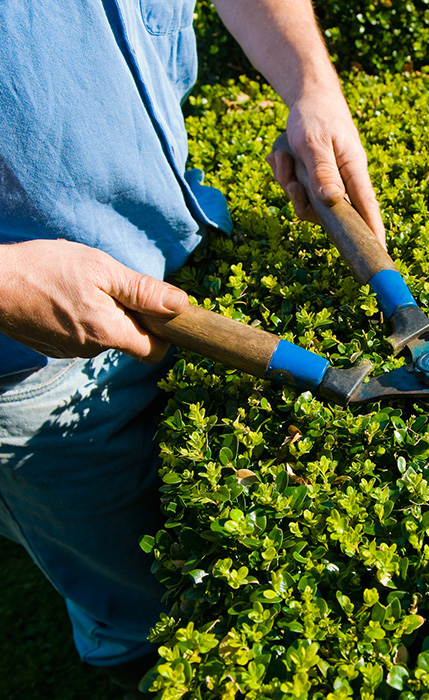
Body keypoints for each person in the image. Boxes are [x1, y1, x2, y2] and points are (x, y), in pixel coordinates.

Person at [0, 0, 383, 695]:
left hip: (181, 239)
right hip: (31, 355)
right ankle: (131, 660)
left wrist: (311, 85)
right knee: (129, 596)